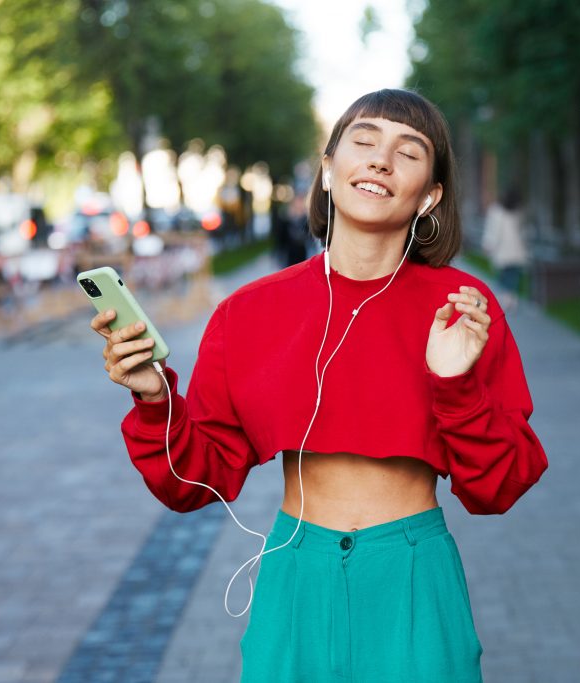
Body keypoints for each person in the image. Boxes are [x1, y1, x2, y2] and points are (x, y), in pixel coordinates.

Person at [90, 89, 548, 683]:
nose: (381, 160)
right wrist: (155, 400)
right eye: (363, 142)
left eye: (408, 152)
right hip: (295, 575)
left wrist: (456, 386)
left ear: (430, 196)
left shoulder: (463, 310)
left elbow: (501, 485)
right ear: (328, 170)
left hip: (412, 578)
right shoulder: (249, 312)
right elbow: (195, 480)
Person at [481, 186, 529, 312]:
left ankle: (506, 301)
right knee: (512, 278)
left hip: (502, 253)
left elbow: (493, 232)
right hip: (517, 252)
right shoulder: (518, 212)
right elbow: (523, 233)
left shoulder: (496, 211)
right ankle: (511, 300)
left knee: (503, 278)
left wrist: (488, 245)